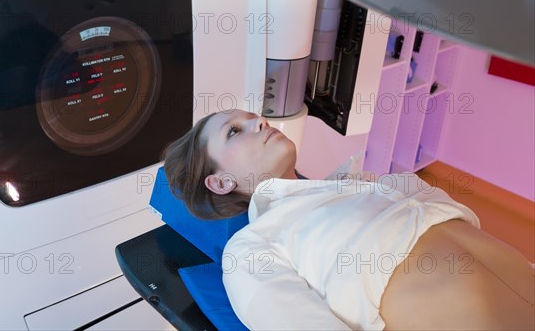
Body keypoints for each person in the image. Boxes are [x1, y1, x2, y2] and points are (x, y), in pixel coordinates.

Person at [161, 109, 535, 330]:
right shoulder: (251, 249)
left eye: (252, 116)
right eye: (234, 131)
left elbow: (449, 214)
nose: (258, 122)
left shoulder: (365, 187)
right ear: (222, 182)